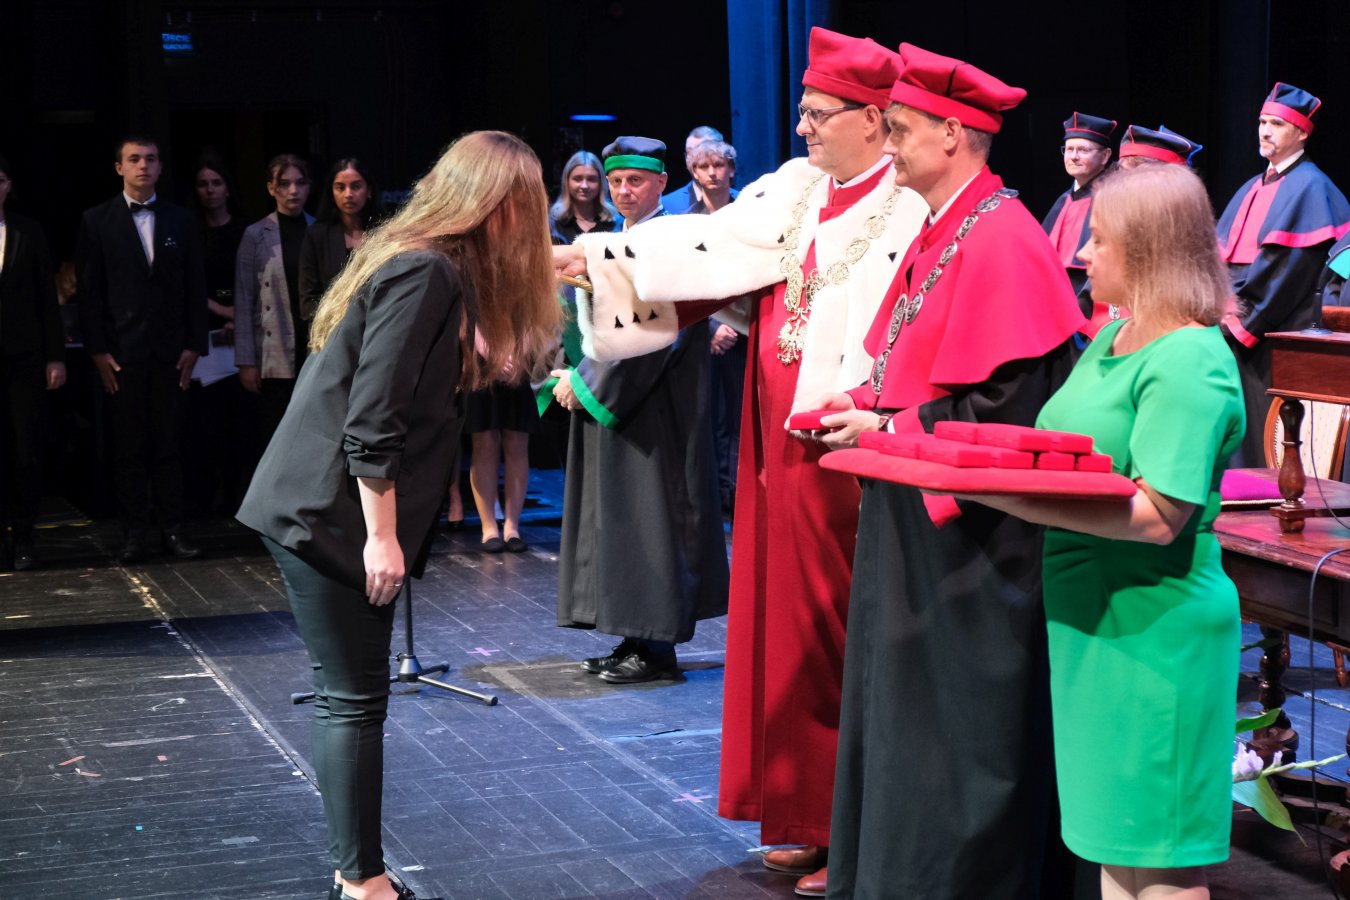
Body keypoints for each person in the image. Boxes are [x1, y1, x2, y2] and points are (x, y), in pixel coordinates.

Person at [554, 29, 926, 896]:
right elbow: (707, 246)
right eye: (802, 111)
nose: (802, 128)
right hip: (774, 439)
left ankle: (851, 826)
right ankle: (801, 811)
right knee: (782, 627)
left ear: (872, 119)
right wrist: (597, 259)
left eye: (819, 113)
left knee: (834, 628)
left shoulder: (906, 206)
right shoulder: (797, 186)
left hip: (844, 445)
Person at [236, 131, 562, 900]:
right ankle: (362, 886)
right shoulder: (424, 270)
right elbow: (373, 416)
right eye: (529, 204)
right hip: (330, 512)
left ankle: (355, 877)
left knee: (350, 696)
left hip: (321, 502)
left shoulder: (426, 263)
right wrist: (382, 537)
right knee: (352, 700)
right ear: (497, 207)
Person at [810, 43, 1085, 898]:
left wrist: (892, 423)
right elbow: (913, 358)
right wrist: (864, 399)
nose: (887, 145)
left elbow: (1011, 401)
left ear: (953, 135)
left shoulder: (1001, 234)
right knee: (900, 711)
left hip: (971, 539)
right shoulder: (944, 225)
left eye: (899, 130)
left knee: (953, 727)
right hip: (915, 514)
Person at [945, 163, 1243, 900]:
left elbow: (1159, 516)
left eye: (1100, 240)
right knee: (1115, 842)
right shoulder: (1113, 335)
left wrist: (1008, 496)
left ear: (1148, 251)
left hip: (1156, 628)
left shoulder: (1190, 358)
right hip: (1090, 619)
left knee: (1162, 857)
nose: (1083, 254)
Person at [553, 136, 729, 685]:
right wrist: (570, 369)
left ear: (661, 183)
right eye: (616, 182)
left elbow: (654, 337)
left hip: (658, 408)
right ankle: (633, 635)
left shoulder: (672, 243)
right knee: (625, 520)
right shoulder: (616, 241)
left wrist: (585, 384)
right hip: (624, 401)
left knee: (655, 519)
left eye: (635, 180)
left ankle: (657, 649)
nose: (624, 191)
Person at [78, 135, 207, 564]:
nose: (143, 166)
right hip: (121, 353)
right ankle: (134, 533)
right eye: (134, 159)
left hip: (170, 352)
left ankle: (173, 529)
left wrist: (195, 343)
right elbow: (90, 293)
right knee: (129, 449)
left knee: (170, 445)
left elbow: (194, 286)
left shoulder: (180, 219)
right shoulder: (97, 221)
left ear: (160, 167)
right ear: (119, 167)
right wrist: (97, 350)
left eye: (150, 159)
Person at [1216, 82, 1350, 466]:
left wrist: (1237, 321)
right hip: (1236, 323)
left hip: (1272, 333)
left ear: (1302, 132)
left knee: (1264, 441)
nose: (1265, 131)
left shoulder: (1311, 188)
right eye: (1262, 122)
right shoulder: (1250, 187)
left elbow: (1287, 274)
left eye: (1276, 124)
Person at [0, 154, 65, 569]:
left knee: (25, 449)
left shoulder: (28, 231)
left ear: (9, 186)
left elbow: (47, 298)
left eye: (0, 180)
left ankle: (24, 536)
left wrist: (55, 355)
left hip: (23, 357)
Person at [233, 153, 314, 449]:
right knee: (276, 434)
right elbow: (244, 298)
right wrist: (246, 360)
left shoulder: (318, 229)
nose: (293, 191)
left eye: (300, 183)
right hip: (274, 348)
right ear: (271, 188)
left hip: (311, 343)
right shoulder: (256, 234)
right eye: (284, 183)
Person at [188, 154, 252, 514]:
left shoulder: (246, 231)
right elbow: (185, 285)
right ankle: (210, 495)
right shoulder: (190, 232)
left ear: (228, 188)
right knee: (207, 422)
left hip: (244, 335)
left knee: (242, 421)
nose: (210, 190)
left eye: (216, 183)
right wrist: (220, 311)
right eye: (203, 184)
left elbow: (257, 281)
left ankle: (238, 492)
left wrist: (238, 317)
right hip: (206, 336)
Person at [1041, 112, 1116, 316]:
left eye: (1083, 150)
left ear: (1105, 156)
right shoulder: (1062, 200)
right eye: (1069, 149)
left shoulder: (1112, 200)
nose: (1074, 156)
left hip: (1092, 306)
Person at [300, 158, 384, 320]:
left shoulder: (385, 232)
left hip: (379, 324)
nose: (348, 194)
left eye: (356, 186)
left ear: (369, 190)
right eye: (340, 187)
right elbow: (308, 302)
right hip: (332, 327)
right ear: (332, 193)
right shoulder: (316, 235)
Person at [549, 150, 620, 244]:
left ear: (601, 183)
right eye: (577, 179)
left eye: (591, 179)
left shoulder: (617, 223)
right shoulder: (551, 224)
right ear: (567, 182)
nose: (584, 186)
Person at [661, 125, 724, 214]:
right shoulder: (667, 204)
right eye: (690, 152)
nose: (694, 159)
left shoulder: (740, 201)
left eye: (701, 152)